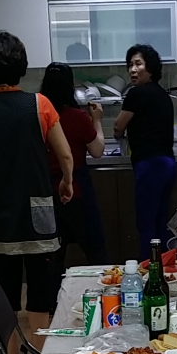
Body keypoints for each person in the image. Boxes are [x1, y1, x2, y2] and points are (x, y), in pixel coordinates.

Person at [0, 31, 74, 333]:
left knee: (5, 284)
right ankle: (39, 351)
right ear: (22, 66)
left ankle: (11, 352)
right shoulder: (40, 104)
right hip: (39, 207)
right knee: (40, 284)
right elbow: (65, 155)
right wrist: (67, 181)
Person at [40, 62, 107, 314]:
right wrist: (97, 121)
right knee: (95, 249)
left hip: (46, 193)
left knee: (52, 255)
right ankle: (107, 300)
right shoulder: (78, 118)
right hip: (76, 189)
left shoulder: (39, 117)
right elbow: (97, 150)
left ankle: (51, 308)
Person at [113, 43, 176, 259]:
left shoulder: (136, 94)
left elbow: (118, 126)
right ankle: (164, 268)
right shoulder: (163, 94)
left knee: (146, 224)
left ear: (150, 67)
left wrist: (120, 135)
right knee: (159, 223)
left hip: (150, 165)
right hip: (167, 164)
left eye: (138, 64)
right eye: (130, 65)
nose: (132, 69)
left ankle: (148, 270)